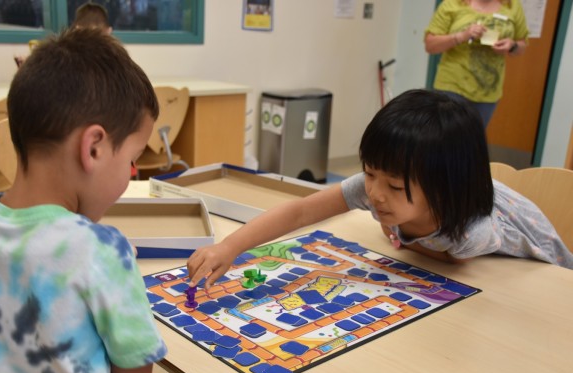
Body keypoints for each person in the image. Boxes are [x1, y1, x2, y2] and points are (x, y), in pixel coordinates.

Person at [0, 28, 221, 373]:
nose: (130, 174)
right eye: (132, 159)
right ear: (93, 148)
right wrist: (124, 292)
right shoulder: (101, 249)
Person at [186, 89, 573, 290]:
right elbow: (301, 211)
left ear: (443, 189)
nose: (375, 193)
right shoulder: (381, 184)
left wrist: (402, 239)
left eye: (394, 185)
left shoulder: (470, 232)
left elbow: (456, 259)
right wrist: (229, 247)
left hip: (540, 268)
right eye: (369, 173)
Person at [424, 0, 529, 127]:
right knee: (446, 139)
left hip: (488, 90)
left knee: (473, 141)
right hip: (452, 85)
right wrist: (462, 36)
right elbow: (430, 45)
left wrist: (512, 46)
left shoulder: (512, 5)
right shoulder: (452, 4)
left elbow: (522, 45)